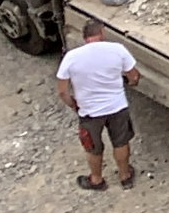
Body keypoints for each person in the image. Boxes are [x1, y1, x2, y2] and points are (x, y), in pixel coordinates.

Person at [57, 17, 141, 191]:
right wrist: (131, 83)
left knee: (92, 148)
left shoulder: (71, 57)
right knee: (120, 142)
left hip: (89, 112)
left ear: (84, 37)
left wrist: (73, 105)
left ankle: (96, 180)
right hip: (117, 107)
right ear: (102, 33)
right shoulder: (117, 50)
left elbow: (62, 91)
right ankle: (125, 176)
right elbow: (134, 76)